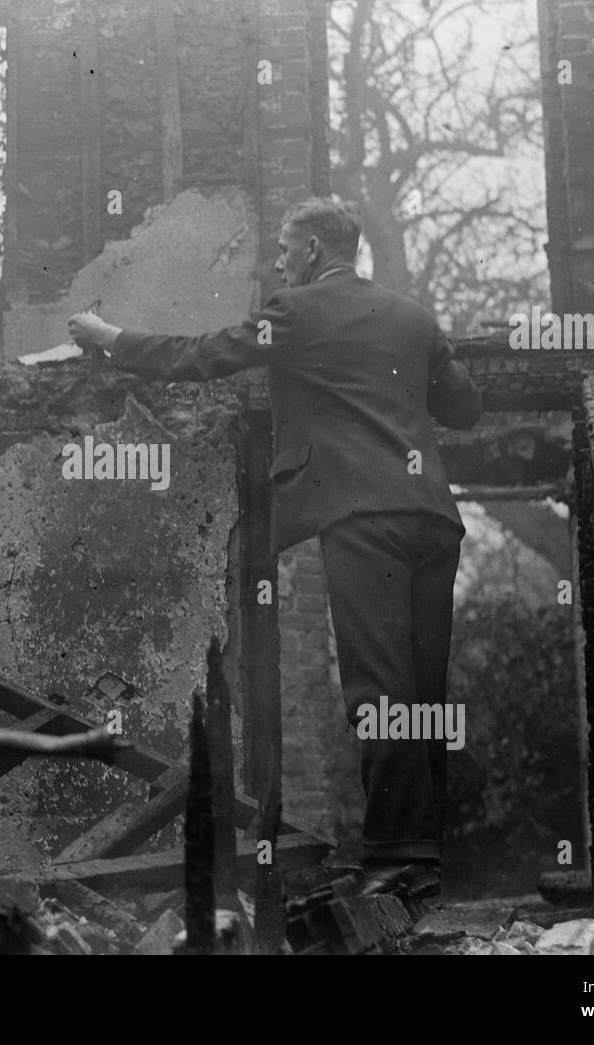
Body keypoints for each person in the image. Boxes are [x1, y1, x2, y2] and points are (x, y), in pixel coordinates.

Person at [68, 196, 482, 898]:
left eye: (287, 253)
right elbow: (465, 407)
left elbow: (201, 356)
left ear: (314, 251)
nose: (281, 266)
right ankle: (416, 857)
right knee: (419, 695)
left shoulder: (296, 313)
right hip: (434, 522)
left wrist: (109, 336)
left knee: (380, 691)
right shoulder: (413, 319)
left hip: (365, 516)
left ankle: (395, 861)